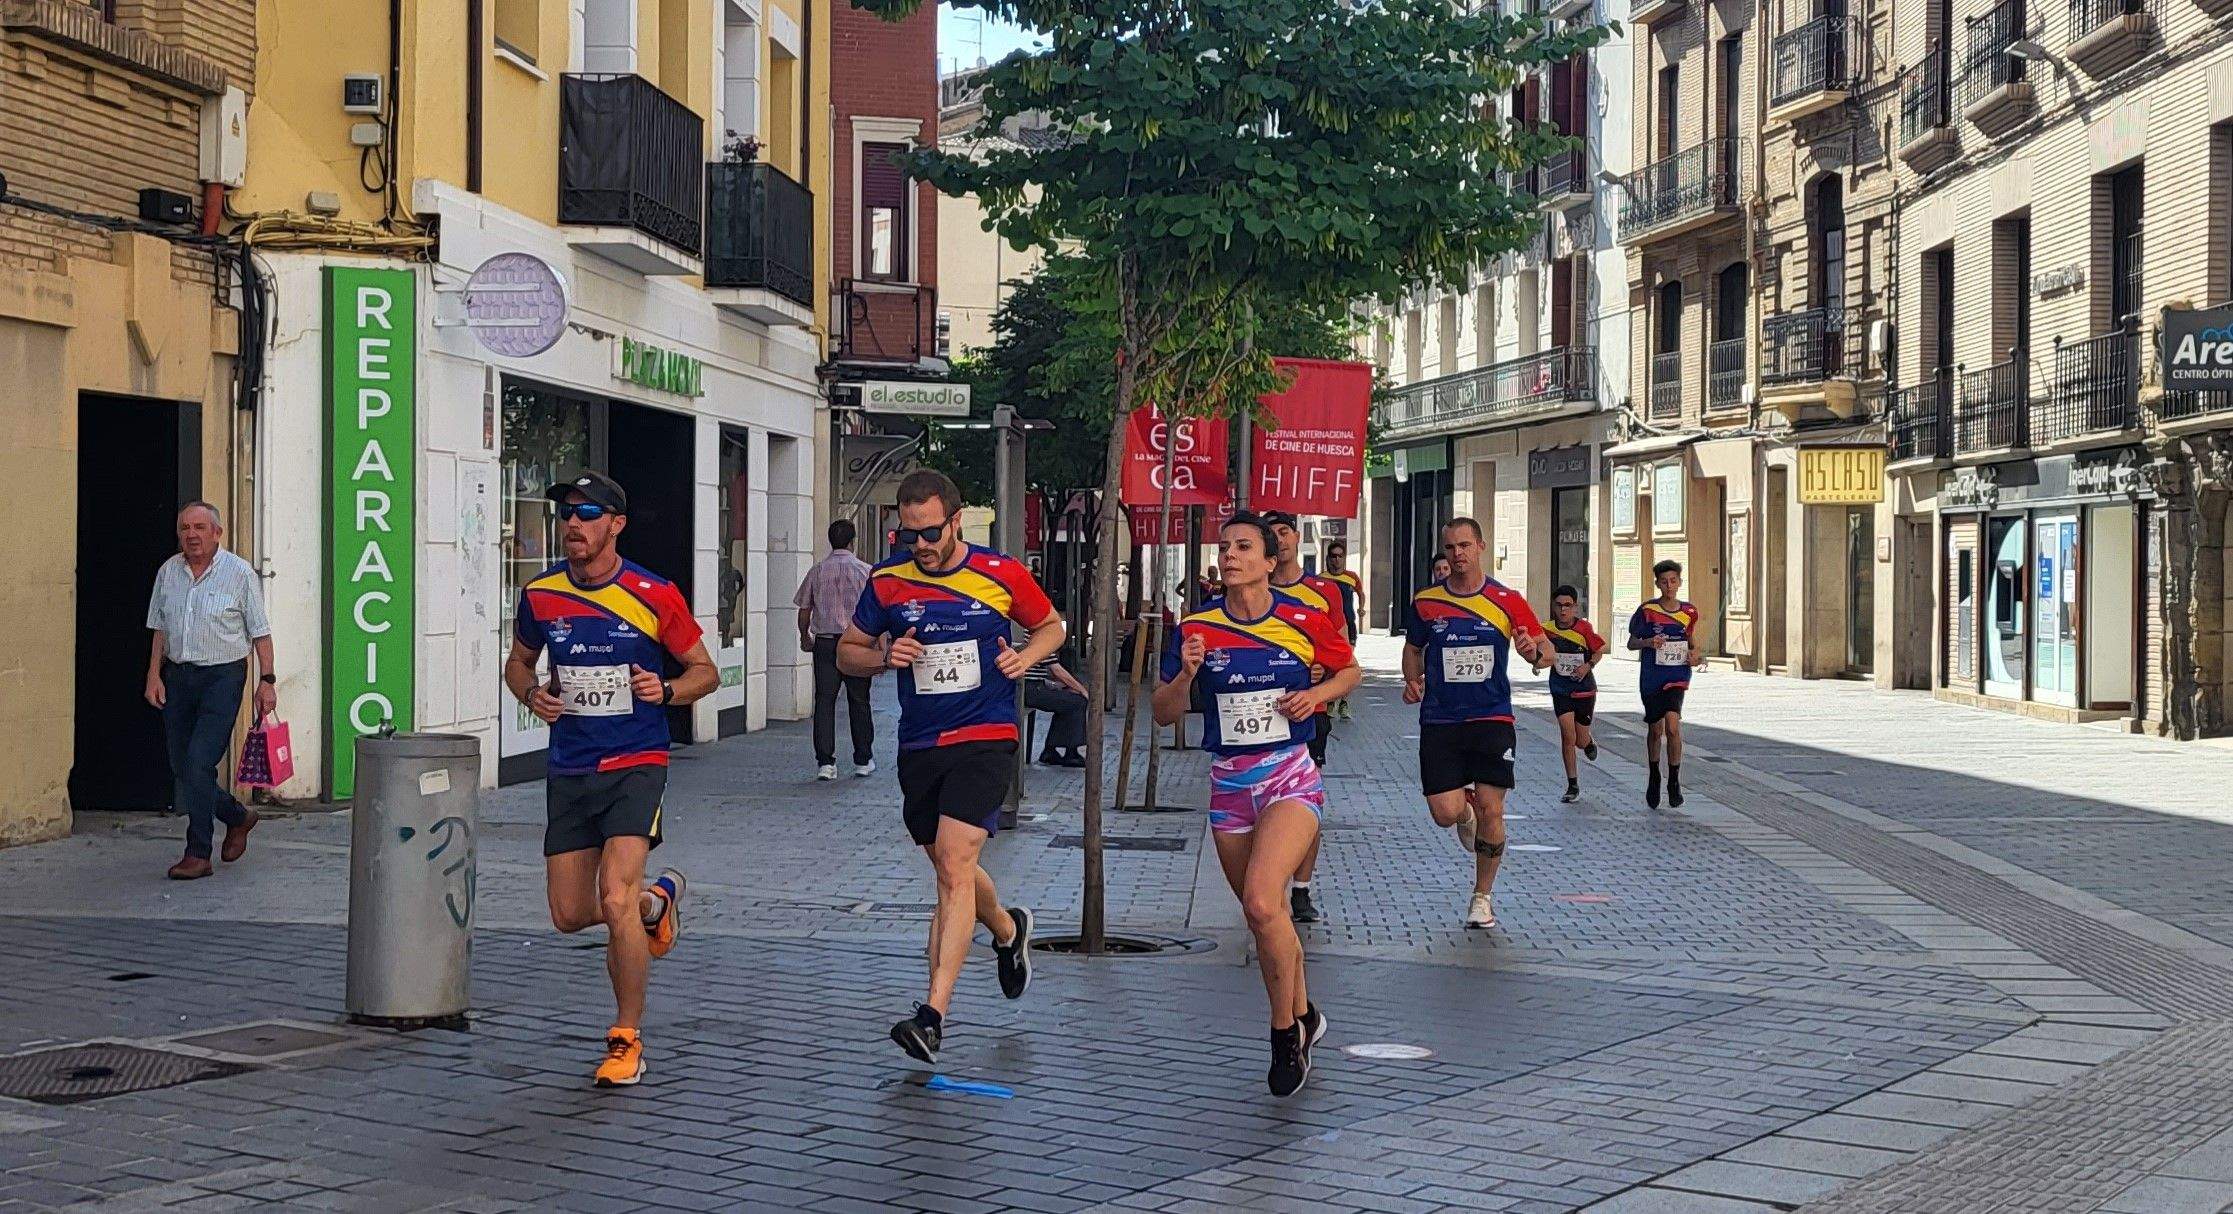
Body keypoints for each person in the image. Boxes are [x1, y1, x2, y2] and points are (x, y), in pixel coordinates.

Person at [838, 469, 1066, 1064]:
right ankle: (1009, 930)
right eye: (909, 533)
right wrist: (885, 654)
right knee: (948, 862)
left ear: (957, 520)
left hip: (987, 735)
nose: (922, 544)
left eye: (932, 531)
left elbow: (1052, 626)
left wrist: (1025, 656)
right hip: (920, 744)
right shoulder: (887, 581)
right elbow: (847, 651)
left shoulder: (999, 573)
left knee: (953, 865)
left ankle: (932, 1015)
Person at [504, 471, 719, 1087]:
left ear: (616, 525)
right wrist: (532, 695)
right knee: (571, 914)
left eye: (588, 512)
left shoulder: (654, 593)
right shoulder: (541, 595)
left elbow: (705, 671)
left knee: (614, 897)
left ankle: (626, 1040)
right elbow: (519, 663)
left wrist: (670, 690)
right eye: (567, 513)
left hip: (636, 763)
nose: (573, 524)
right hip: (570, 765)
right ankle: (661, 901)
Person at [1154, 511, 1360, 1096]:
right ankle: (1305, 1014)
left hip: (1290, 778)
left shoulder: (1304, 616)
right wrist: (1186, 675)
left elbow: (1349, 672)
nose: (1230, 555)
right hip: (1228, 784)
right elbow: (1164, 712)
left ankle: (1281, 1036)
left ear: (1272, 561)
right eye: (1225, 547)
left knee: (1264, 902)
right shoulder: (1196, 627)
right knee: (1262, 915)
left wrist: (1315, 696)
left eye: (1244, 547)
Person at [1402, 518, 1546, 929]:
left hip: (1492, 717)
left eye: (1465, 545)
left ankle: (1482, 896)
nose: (1458, 554)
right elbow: (1414, 648)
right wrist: (1412, 680)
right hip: (1441, 719)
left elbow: (1546, 652)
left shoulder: (1506, 599)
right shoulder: (1427, 601)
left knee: (1492, 809)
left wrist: (1532, 652)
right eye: (1450, 547)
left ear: (1481, 546)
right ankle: (1463, 816)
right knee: (1445, 813)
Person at [145, 502, 276, 881]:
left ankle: (197, 852)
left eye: (200, 527)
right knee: (182, 767)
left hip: (223, 677)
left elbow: (260, 632)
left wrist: (267, 682)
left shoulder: (238, 574)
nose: (192, 534)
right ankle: (238, 816)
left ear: (217, 533)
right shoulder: (168, 572)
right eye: (185, 527)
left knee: (200, 762)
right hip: (179, 677)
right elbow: (159, 629)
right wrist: (154, 674)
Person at [1260, 511, 1349, 925]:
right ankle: (1266, 881)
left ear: (1297, 537)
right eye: (1271, 534)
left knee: (1303, 800)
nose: (1279, 541)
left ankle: (1301, 889)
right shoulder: (1251, 589)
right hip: (1257, 715)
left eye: (1284, 532)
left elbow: (1342, 649)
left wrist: (1322, 675)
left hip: (1308, 713)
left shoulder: (1323, 591)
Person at [796, 519, 877, 781]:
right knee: (860, 700)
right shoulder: (866, 571)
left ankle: (825, 763)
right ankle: (863, 759)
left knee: (825, 701)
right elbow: (877, 611)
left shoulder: (818, 571)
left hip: (826, 642)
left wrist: (805, 636)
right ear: (853, 541)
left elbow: (804, 609)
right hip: (857, 644)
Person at [1629, 559, 1705, 809]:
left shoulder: (1689, 612)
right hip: (1652, 676)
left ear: (1680, 582)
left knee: (1672, 726)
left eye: (1673, 581)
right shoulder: (1647, 610)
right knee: (1655, 729)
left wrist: (1697, 655)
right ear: (1657, 584)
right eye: (1664, 581)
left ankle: (1674, 779)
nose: (1669, 585)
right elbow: (1631, 642)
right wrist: (1648, 642)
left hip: (1677, 676)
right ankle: (1654, 774)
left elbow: (1691, 642)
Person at [1542, 585, 1607, 804]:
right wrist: (1536, 663)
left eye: (1567, 606)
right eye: (1559, 605)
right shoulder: (1546, 630)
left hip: (1584, 690)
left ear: (1575, 607)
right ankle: (1572, 784)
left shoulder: (1584, 629)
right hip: (1560, 689)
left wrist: (1587, 666)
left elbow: (1599, 650)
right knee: (1567, 736)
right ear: (1553, 606)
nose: (1563, 610)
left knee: (1579, 740)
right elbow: (1540, 654)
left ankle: (1588, 743)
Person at [1025, 654, 1091, 767]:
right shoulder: (1040, 639)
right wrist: (1082, 690)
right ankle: (1071, 752)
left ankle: (1051, 749)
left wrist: (1056, 685)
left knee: (1065, 700)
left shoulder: (1027, 637)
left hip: (1030, 686)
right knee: (1077, 702)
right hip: (1030, 690)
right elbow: (1057, 671)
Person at [1323, 541, 1363, 720]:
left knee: (1346, 664)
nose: (1337, 560)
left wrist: (1362, 609)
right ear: (1328, 558)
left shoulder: (1352, 577)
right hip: (1329, 629)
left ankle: (1344, 703)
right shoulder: (1321, 578)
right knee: (1331, 666)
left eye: (1340, 556)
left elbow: (1361, 593)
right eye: (1333, 556)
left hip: (1349, 627)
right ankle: (1331, 701)